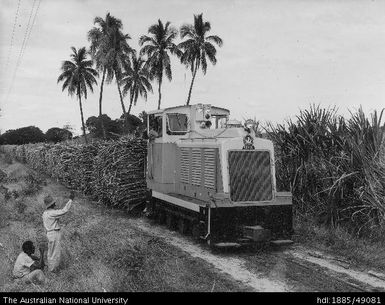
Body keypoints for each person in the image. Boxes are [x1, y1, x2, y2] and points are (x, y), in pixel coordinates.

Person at [42, 191, 75, 272]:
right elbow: (64, 210)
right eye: (54, 203)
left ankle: (50, 268)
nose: (55, 204)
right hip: (54, 233)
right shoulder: (51, 213)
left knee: (50, 252)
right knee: (55, 253)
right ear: (51, 204)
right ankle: (53, 270)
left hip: (49, 233)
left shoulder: (45, 213)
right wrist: (70, 200)